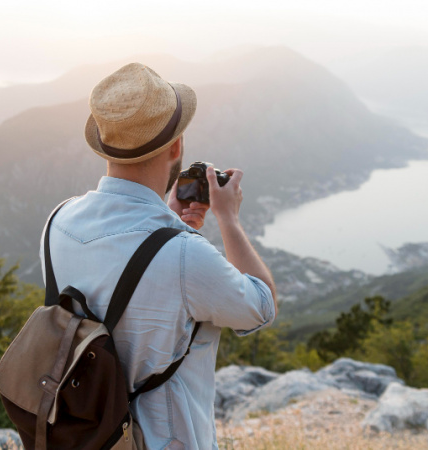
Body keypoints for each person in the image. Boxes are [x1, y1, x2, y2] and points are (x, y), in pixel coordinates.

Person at [39, 63, 278, 449]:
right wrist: (228, 219)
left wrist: (166, 222)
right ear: (177, 146)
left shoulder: (58, 220)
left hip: (81, 435)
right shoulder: (184, 255)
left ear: (104, 144)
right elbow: (262, 306)